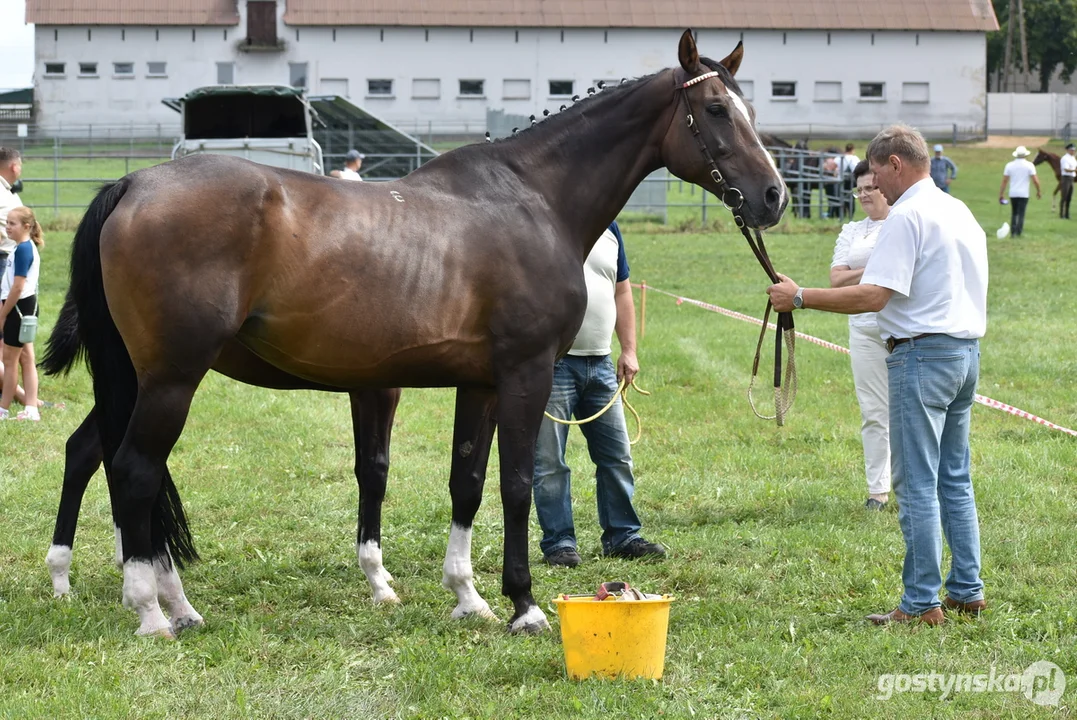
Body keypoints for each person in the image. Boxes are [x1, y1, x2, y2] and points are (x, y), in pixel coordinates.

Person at [767, 124, 988, 626]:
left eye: (878, 176)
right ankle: (967, 589)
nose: (875, 188)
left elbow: (874, 295)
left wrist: (801, 297)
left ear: (895, 164)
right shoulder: (958, 210)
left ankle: (920, 603)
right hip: (964, 353)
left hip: (921, 355)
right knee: (954, 476)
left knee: (913, 483)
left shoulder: (907, 216)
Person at [532, 220, 665, 567]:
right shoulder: (546, 222)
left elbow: (622, 291)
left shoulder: (610, 228)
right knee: (549, 463)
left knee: (617, 456)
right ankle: (559, 543)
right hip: (555, 365)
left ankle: (623, 536)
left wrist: (629, 350)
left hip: (602, 365)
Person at [830, 160, 892, 511]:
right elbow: (836, 279)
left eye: (871, 187)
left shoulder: (901, 222)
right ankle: (877, 491)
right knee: (873, 410)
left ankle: (911, 483)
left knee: (905, 412)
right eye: (860, 189)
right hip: (862, 328)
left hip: (899, 326)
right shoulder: (852, 230)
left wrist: (857, 270)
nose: (866, 195)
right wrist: (876, 267)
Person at [1, 206, 44, 421]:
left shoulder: (24, 249)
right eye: (7, 222)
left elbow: (17, 287)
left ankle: (3, 409)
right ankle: (31, 409)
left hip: (18, 308)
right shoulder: (22, 247)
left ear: (26, 226)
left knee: (10, 362)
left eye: (12, 224)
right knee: (26, 358)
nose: (7, 227)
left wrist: (2, 314)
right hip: (26, 307)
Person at [999, 146, 1041, 237]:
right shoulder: (1029, 165)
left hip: (1013, 192)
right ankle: (1019, 231)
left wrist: (1001, 194)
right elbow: (1035, 180)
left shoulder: (1009, 165)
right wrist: (1038, 190)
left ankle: (1013, 232)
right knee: (1021, 213)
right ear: (1025, 155)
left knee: (1014, 212)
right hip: (1024, 193)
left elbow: (1005, 181)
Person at [840, 143, 859, 216]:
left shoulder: (840, 158)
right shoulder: (855, 158)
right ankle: (851, 213)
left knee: (842, 196)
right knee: (851, 197)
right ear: (852, 150)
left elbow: (835, 168)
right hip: (851, 181)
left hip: (842, 181)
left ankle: (843, 213)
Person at [1060, 143, 1076, 220]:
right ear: (1068, 150)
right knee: (1064, 196)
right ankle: (1062, 213)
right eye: (1071, 150)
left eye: (1074, 150)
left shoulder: (1073, 158)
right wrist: (1074, 170)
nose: (1073, 151)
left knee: (1069, 196)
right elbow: (1066, 169)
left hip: (1072, 178)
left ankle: (1067, 213)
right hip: (1066, 177)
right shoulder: (1065, 158)